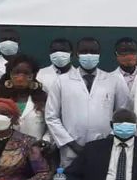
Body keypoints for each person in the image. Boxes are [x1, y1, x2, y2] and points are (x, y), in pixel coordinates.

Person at [46, 37, 130, 168]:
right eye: (84, 51)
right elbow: (52, 117)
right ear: (77, 54)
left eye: (93, 51)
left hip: (104, 146)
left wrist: (110, 138)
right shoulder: (61, 81)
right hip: (71, 149)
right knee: (71, 179)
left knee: (101, 178)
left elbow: (123, 114)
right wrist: (71, 143)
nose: (89, 55)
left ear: (99, 54)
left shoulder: (113, 80)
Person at [0, 54, 50, 144]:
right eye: (16, 72)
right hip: (6, 150)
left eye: (26, 73)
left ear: (33, 75)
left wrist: (44, 143)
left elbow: (52, 126)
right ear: (10, 74)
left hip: (35, 150)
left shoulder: (43, 99)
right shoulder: (0, 99)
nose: (21, 78)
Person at [112, 37, 137, 103]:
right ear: (116, 54)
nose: (128, 55)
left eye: (132, 51)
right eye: (124, 51)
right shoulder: (109, 79)